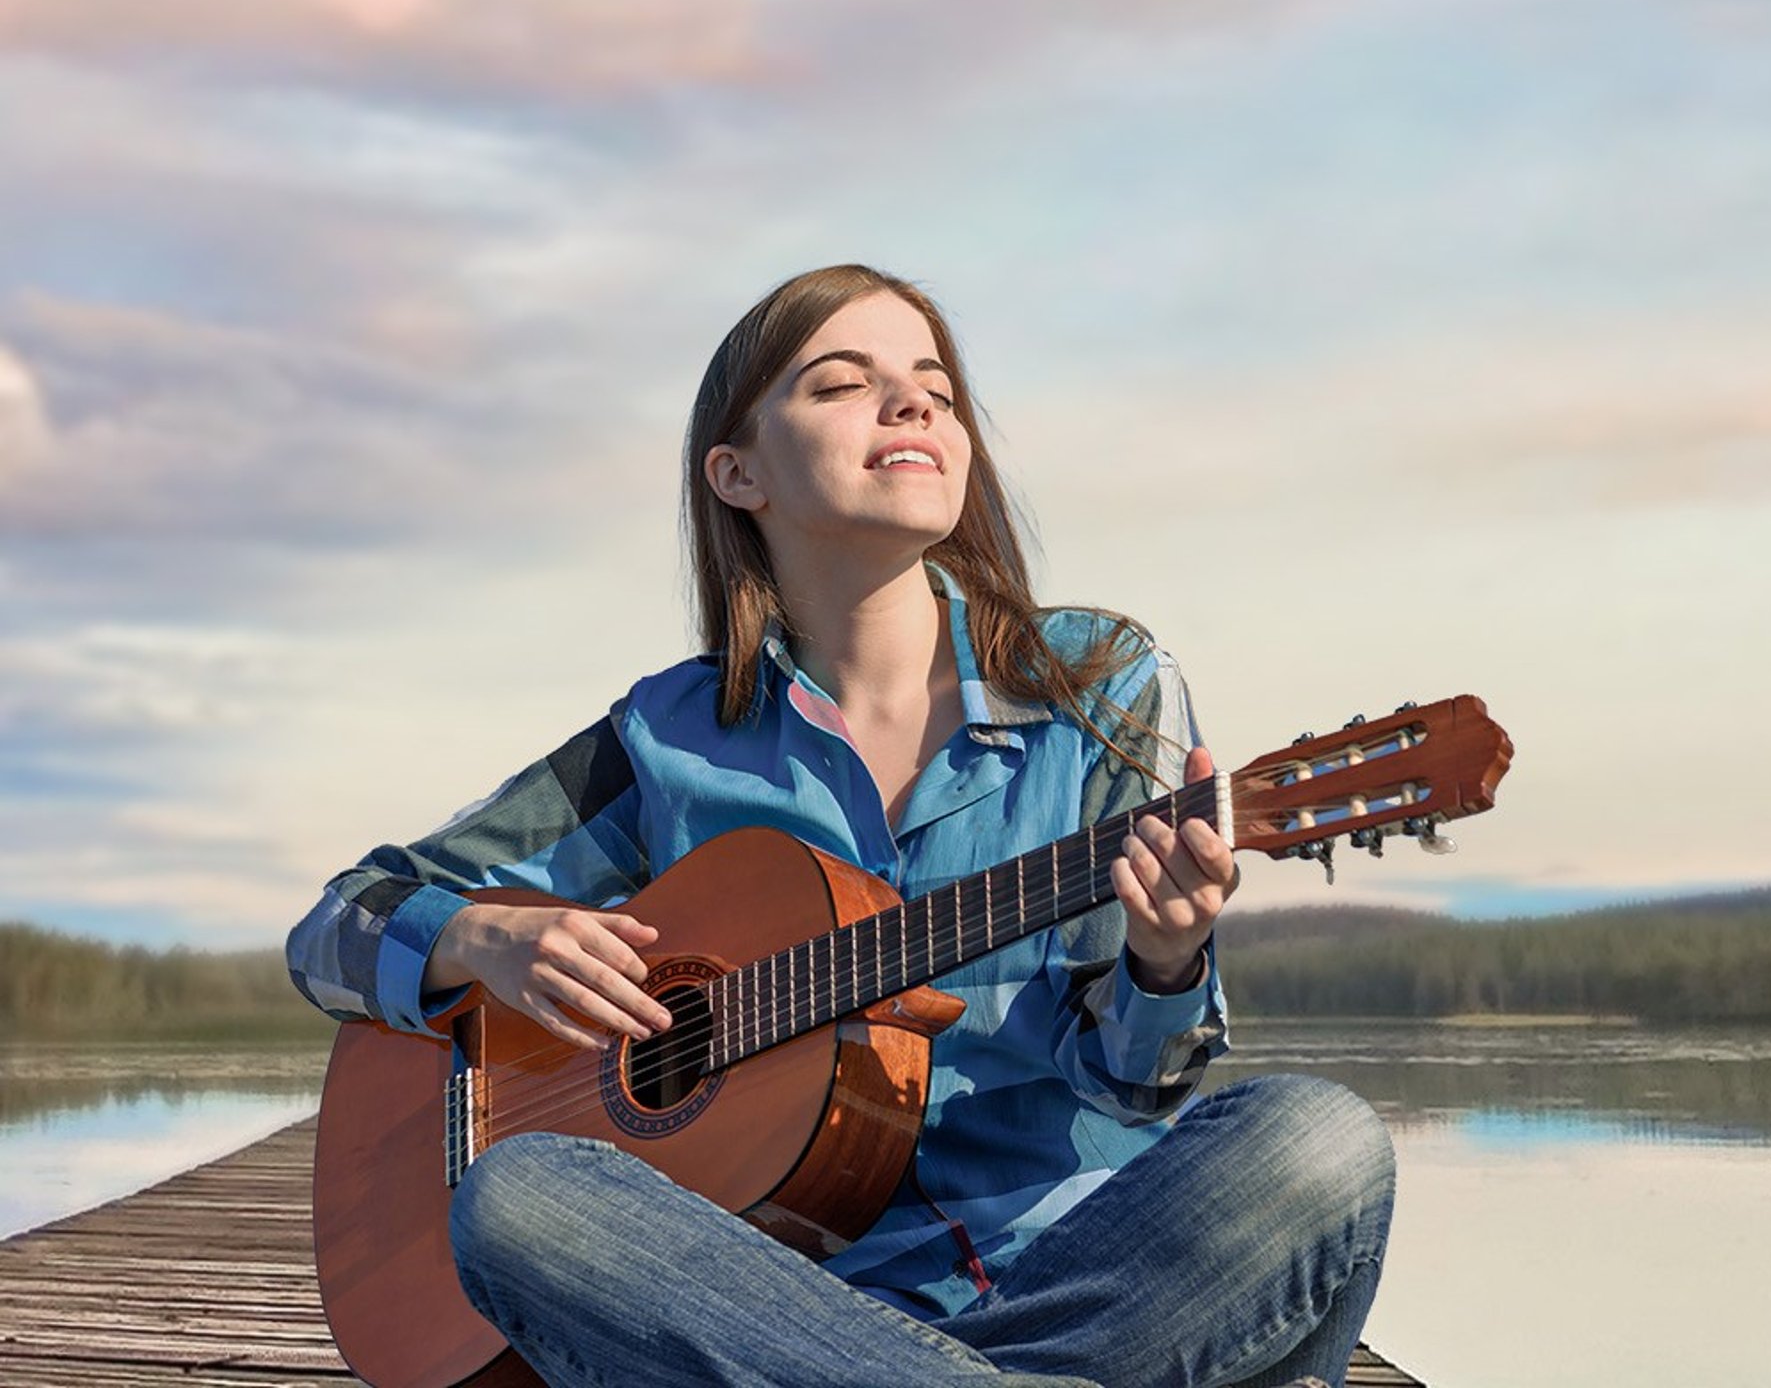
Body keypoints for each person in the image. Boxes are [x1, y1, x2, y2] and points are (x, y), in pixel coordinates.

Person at [286, 263, 1394, 1388]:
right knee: (516, 1199)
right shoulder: (670, 738)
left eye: (936, 388)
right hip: (773, 1306)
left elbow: (1138, 1087)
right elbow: (340, 923)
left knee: (1319, 1140)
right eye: (842, 383)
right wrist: (479, 940)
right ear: (738, 471)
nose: (913, 404)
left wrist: (1166, 959)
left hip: (1074, 1279)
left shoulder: (1101, 685)